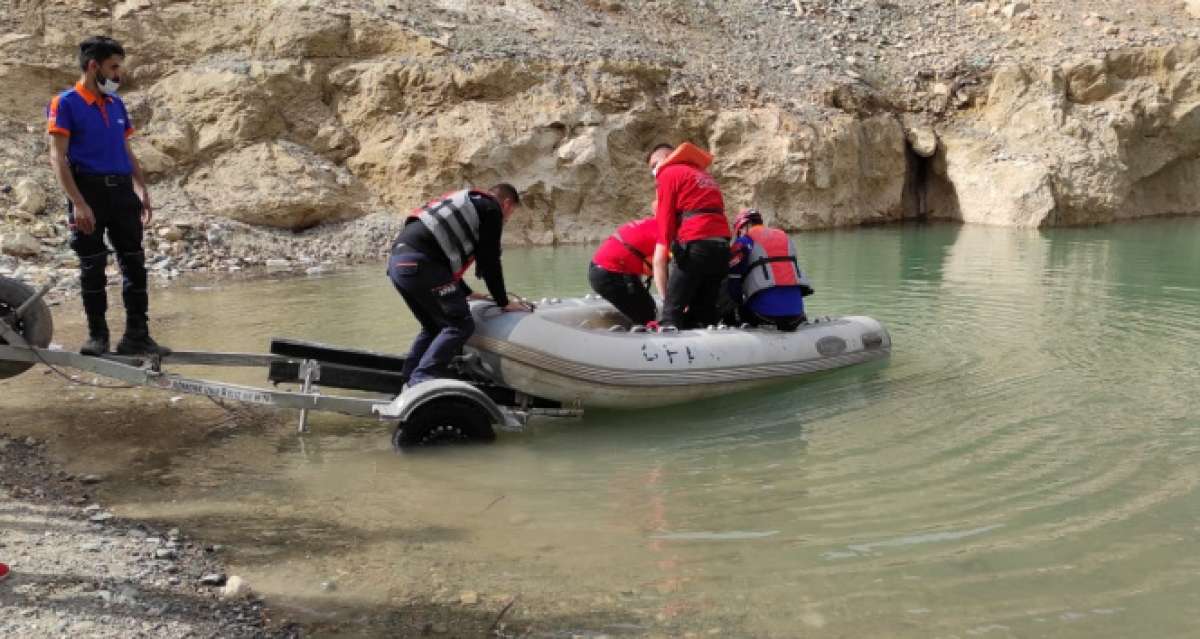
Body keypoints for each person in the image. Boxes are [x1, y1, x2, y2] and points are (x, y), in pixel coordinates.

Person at [46, 36, 168, 357]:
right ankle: (97, 336)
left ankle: (137, 336)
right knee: (92, 265)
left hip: (122, 193)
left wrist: (140, 187)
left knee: (135, 263)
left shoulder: (117, 105)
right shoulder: (65, 103)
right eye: (113, 67)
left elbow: (126, 150)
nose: (119, 75)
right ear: (92, 66)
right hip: (88, 193)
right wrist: (79, 203)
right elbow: (57, 158)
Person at [388, 184, 528, 388]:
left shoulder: (470, 202)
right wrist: (503, 302)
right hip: (422, 265)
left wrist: (467, 293)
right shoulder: (492, 210)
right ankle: (423, 378)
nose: (508, 217)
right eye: (512, 211)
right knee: (460, 324)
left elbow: (442, 254)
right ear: (506, 203)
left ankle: (409, 375)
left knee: (433, 326)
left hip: (399, 264)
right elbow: (490, 261)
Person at [645, 142, 731, 329]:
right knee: (704, 314)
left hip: (696, 245)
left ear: (666, 158)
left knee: (671, 314)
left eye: (654, 165)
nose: (654, 172)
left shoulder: (668, 173)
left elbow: (665, 219)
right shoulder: (703, 175)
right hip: (722, 247)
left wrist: (667, 298)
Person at [727, 208, 813, 331]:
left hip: (765, 316)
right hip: (797, 314)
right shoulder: (785, 238)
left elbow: (733, 288)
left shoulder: (743, 242)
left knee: (735, 302)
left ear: (744, 226)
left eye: (739, 230)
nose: (740, 234)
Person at [589, 216, 658, 325]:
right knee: (648, 314)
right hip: (611, 274)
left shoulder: (651, 223)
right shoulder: (665, 234)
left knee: (648, 307)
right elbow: (659, 266)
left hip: (600, 268)